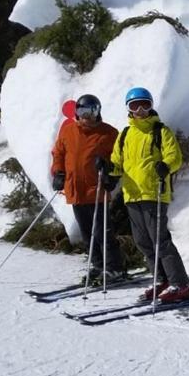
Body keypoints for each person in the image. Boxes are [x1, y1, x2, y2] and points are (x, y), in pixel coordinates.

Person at [106, 86, 189, 303]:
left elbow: (175, 157)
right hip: (132, 194)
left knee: (160, 241)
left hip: (155, 193)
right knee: (142, 241)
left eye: (145, 104)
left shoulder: (161, 131)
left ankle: (180, 284)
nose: (141, 110)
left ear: (151, 106)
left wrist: (166, 165)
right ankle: (161, 279)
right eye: (135, 105)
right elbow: (118, 162)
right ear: (129, 109)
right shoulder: (125, 134)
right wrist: (107, 170)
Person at [51, 94, 122, 283]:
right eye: (82, 111)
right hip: (76, 190)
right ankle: (98, 265)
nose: (86, 116)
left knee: (103, 232)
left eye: (91, 111)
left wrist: (111, 174)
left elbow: (119, 159)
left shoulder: (109, 133)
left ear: (98, 112)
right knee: (87, 233)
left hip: (97, 190)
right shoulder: (68, 131)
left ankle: (114, 268)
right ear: (76, 112)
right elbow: (58, 153)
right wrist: (58, 173)